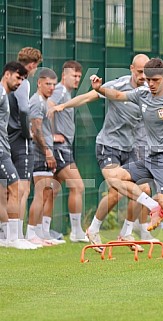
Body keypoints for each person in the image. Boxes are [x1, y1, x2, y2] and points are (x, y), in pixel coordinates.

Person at [48, 54, 155, 252]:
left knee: (143, 189)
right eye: (140, 72)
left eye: (146, 72)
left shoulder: (149, 91)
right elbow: (89, 96)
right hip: (109, 145)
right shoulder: (120, 85)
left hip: (131, 148)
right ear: (132, 68)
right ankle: (93, 229)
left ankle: (126, 232)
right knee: (115, 189)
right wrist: (63, 105)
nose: (143, 76)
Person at [90, 58, 163, 237]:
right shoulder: (141, 93)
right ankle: (98, 230)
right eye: (148, 79)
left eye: (155, 80)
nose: (150, 83)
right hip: (131, 151)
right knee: (115, 183)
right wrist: (98, 88)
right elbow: (117, 95)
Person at [44, 60, 89, 243]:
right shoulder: (61, 90)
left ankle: (42, 232)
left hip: (61, 147)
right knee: (78, 186)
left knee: (51, 190)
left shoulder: (67, 93)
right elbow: (47, 107)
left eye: (79, 76)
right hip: (59, 148)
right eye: (74, 75)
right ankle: (77, 232)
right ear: (64, 75)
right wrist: (51, 135)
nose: (77, 79)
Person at [8, 47, 43, 240]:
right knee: (22, 188)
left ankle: (7, 233)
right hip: (20, 140)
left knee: (8, 187)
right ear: (31, 65)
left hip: (7, 138)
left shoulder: (8, 80)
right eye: (36, 66)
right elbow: (23, 109)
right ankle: (18, 236)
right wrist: (26, 132)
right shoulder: (24, 83)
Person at [26, 68, 63, 246]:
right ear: (39, 83)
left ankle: (41, 232)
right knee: (40, 192)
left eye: (54, 85)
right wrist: (48, 151)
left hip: (46, 151)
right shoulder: (36, 102)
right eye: (48, 84)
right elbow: (35, 129)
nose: (51, 88)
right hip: (39, 153)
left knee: (48, 191)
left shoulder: (44, 102)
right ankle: (31, 232)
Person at [0, 61, 34, 249]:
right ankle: (13, 238)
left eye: (22, 79)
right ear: (7, 74)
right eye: (18, 77)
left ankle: (7, 236)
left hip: (4, 147)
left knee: (5, 191)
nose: (20, 82)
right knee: (15, 187)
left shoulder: (5, 95)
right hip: (0, 150)